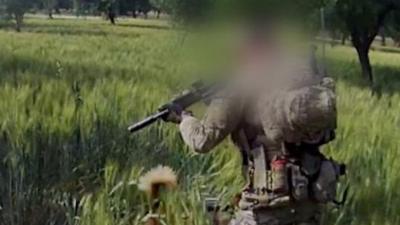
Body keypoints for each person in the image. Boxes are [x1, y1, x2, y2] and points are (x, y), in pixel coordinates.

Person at [165, 29, 345, 225]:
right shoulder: (306, 83)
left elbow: (201, 141)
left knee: (216, 213)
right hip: (310, 205)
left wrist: (184, 118)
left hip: (266, 209)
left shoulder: (240, 86)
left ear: (251, 49)